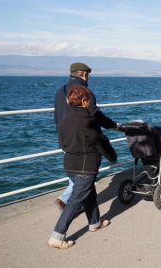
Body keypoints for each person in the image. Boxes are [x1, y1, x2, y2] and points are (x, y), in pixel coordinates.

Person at [48, 85, 117, 249]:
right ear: (85, 101)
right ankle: (57, 236)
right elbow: (101, 143)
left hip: (70, 165)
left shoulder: (65, 120)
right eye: (89, 100)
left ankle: (95, 223)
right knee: (75, 200)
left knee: (89, 194)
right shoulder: (90, 121)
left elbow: (63, 144)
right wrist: (112, 157)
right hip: (86, 167)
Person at [54, 62, 118, 210]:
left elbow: (57, 117)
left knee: (76, 170)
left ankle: (75, 202)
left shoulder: (60, 91)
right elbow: (94, 115)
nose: (88, 78)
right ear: (84, 74)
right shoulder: (84, 92)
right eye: (88, 75)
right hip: (85, 139)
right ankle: (68, 201)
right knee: (87, 171)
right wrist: (112, 125)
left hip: (65, 139)